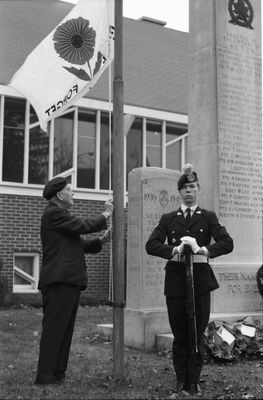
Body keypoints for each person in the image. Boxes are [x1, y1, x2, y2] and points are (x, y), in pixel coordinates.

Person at [145, 164, 234, 396]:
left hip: (200, 281)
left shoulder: (208, 217)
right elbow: (151, 245)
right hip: (175, 281)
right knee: (180, 334)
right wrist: (174, 249)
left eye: (192, 187)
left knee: (197, 331)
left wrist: (201, 249)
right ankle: (180, 379)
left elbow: (227, 243)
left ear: (199, 189)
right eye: (184, 187)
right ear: (179, 192)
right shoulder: (168, 218)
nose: (188, 191)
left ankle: (193, 381)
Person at [34, 176, 114, 385]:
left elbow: (76, 244)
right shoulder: (54, 213)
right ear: (60, 194)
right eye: (71, 190)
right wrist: (105, 214)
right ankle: (45, 376)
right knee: (55, 329)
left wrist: (101, 241)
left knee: (65, 329)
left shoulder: (60, 216)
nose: (73, 194)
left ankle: (57, 372)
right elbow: (82, 225)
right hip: (59, 281)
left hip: (67, 280)